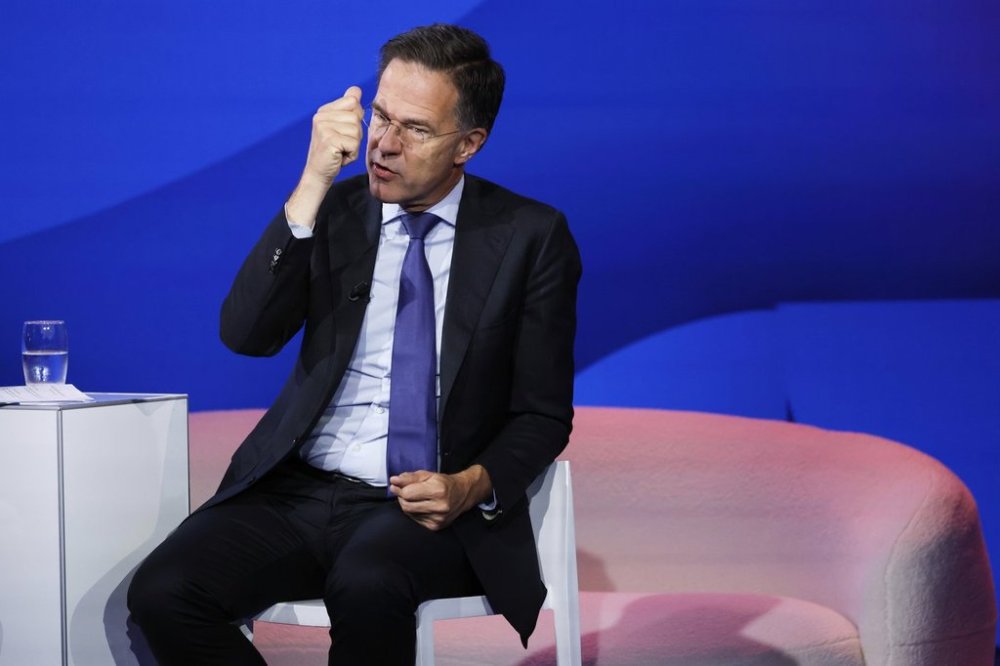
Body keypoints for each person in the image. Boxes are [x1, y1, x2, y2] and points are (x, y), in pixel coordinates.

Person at [127, 23, 581, 665]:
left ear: (469, 144)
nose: (384, 145)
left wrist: (471, 484)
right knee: (163, 592)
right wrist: (311, 183)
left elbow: (541, 414)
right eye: (380, 116)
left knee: (366, 583)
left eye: (415, 130)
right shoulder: (334, 214)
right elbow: (245, 335)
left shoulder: (530, 236)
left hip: (423, 506)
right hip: (300, 489)